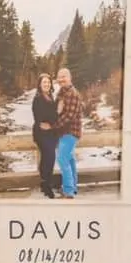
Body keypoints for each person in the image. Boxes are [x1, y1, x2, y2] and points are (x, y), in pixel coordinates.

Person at [54, 67, 83, 199]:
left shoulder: (72, 93)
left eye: (64, 77)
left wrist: (52, 126)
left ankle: (68, 191)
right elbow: (57, 110)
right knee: (70, 159)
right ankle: (73, 187)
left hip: (71, 131)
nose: (61, 79)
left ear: (70, 77)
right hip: (64, 132)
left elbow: (69, 116)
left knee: (62, 158)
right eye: (59, 77)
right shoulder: (62, 92)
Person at [31, 73, 57, 199]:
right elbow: (40, 119)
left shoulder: (50, 96)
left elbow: (53, 117)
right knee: (49, 156)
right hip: (41, 134)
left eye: (48, 82)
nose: (46, 84)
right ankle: (46, 185)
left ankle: (46, 183)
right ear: (40, 85)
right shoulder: (38, 99)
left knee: (50, 158)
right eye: (44, 82)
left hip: (51, 133)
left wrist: (52, 124)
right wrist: (52, 121)